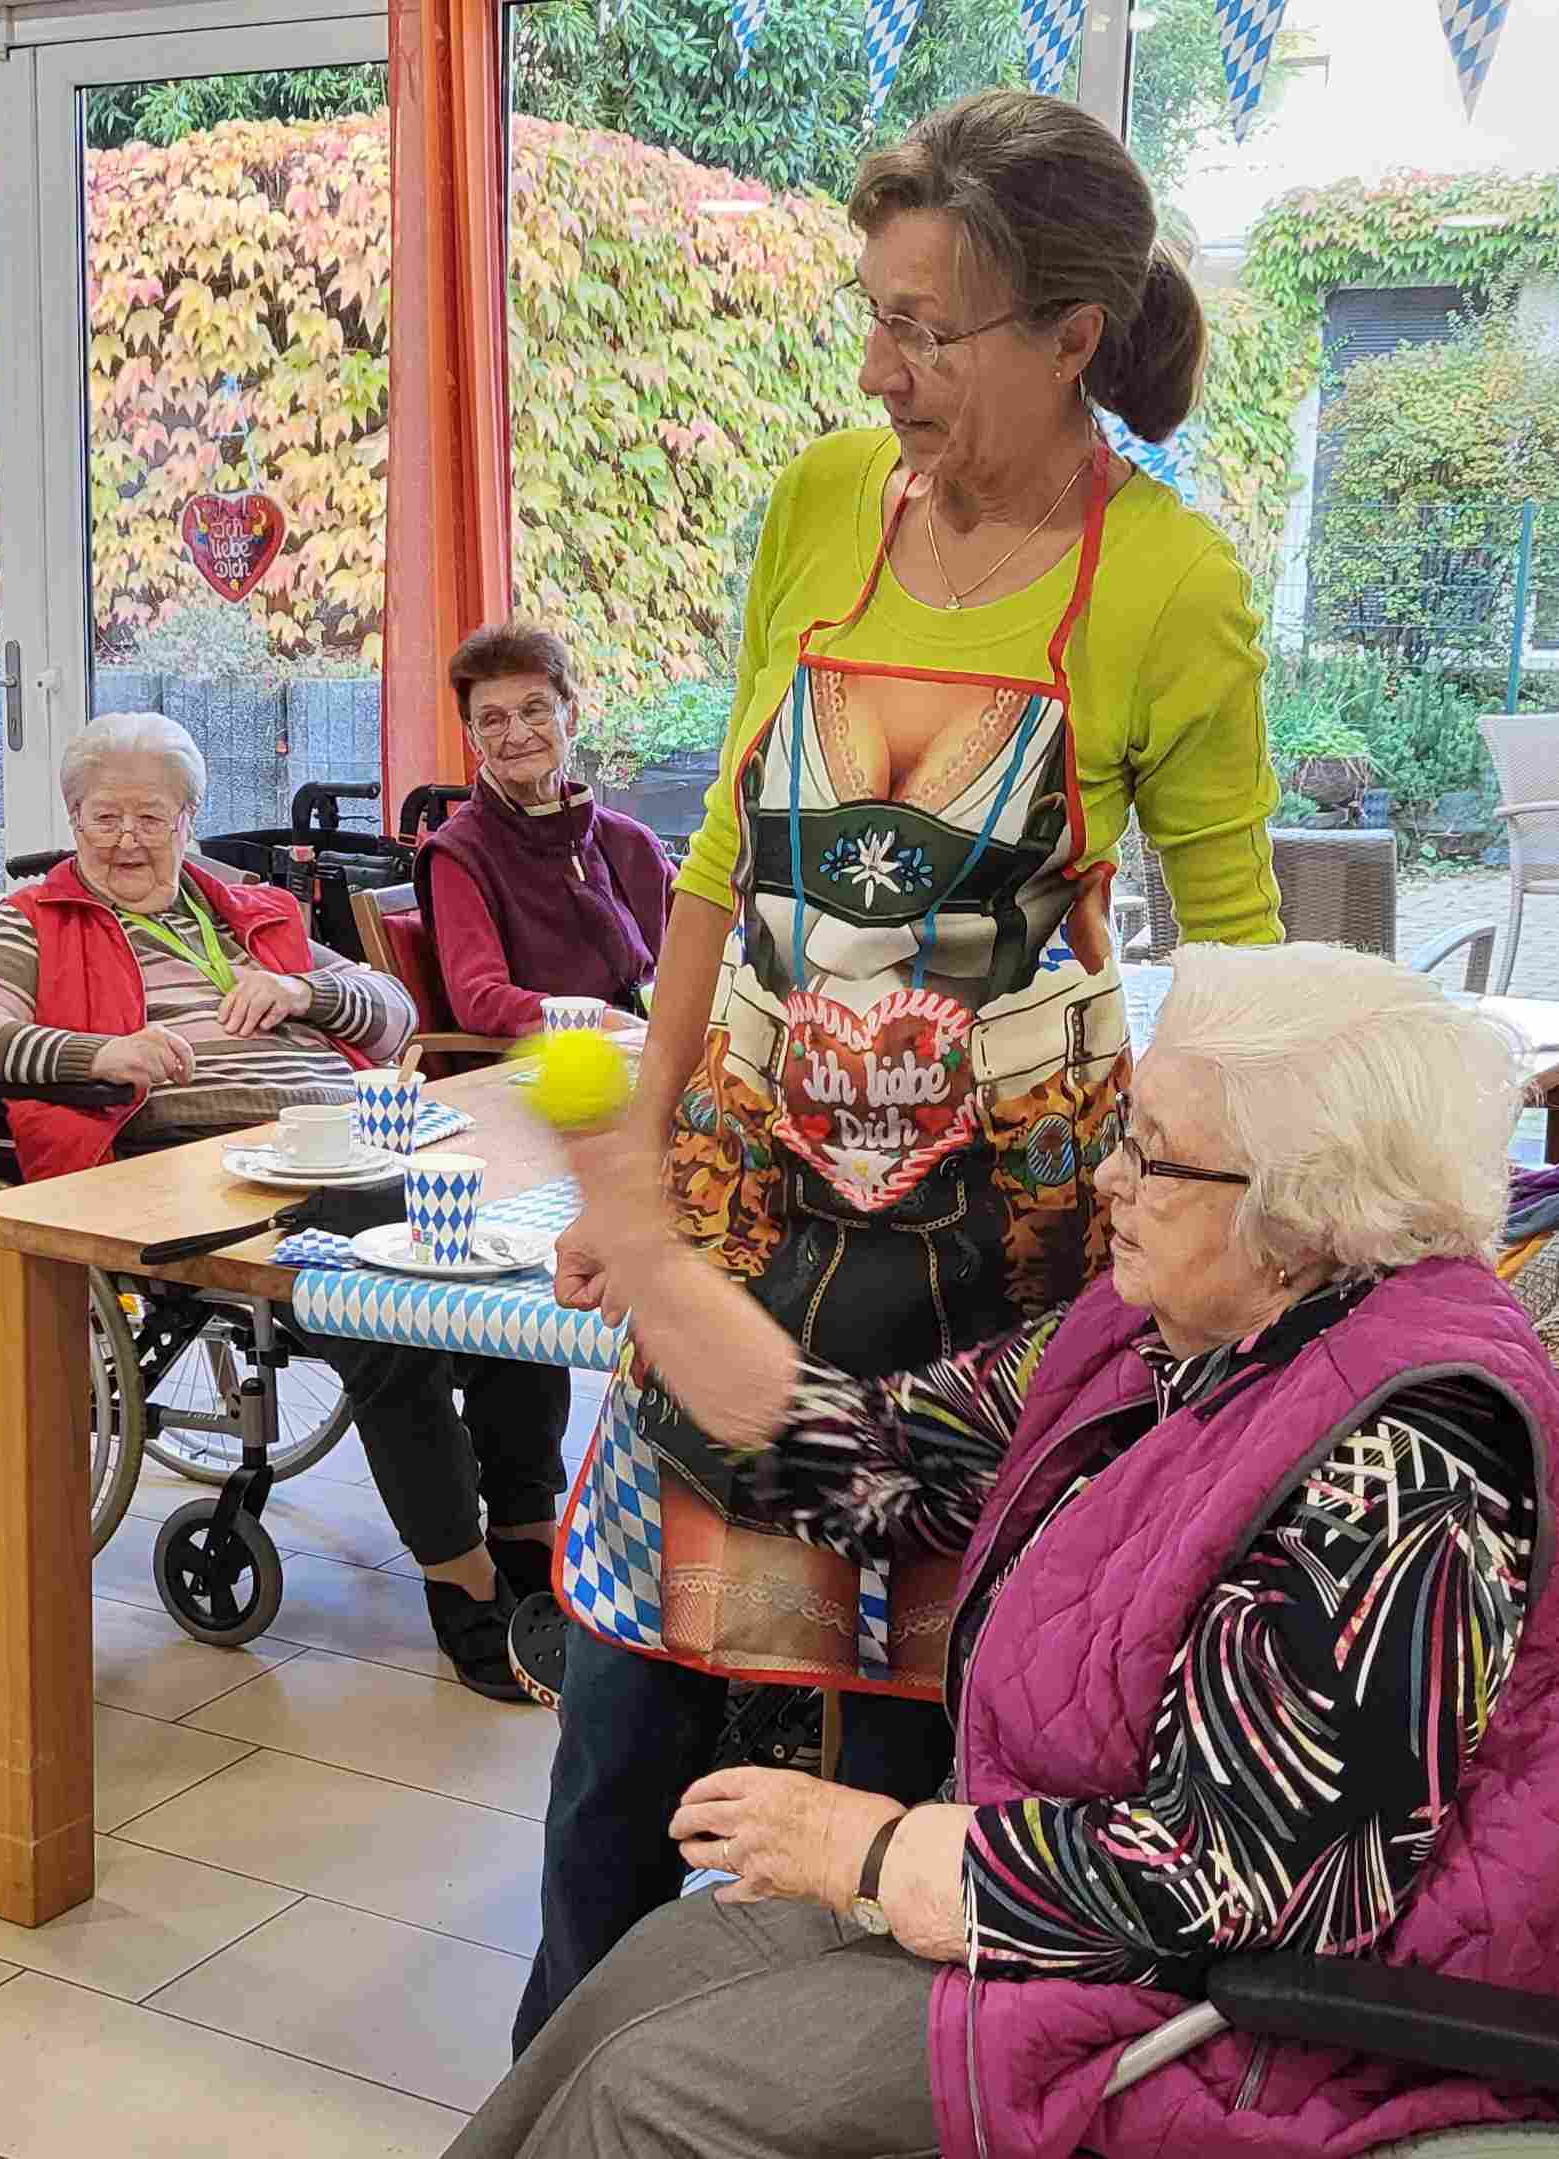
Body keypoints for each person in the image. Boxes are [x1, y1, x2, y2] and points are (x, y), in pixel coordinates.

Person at [509, 86, 1284, 2051]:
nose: (878, 367)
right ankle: (564, 2083)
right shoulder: (811, 507)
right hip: (742, 1241)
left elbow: (1245, 965)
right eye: (872, 314)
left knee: (913, 1775)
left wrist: (1201, 1227)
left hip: (987, 1305)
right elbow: (708, 862)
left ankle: (842, 2091)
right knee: (620, 1753)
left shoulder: (1163, 588)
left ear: (1066, 342)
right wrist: (644, 1160)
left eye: (923, 328)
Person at [452, 942, 1559, 2159]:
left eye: (1149, 1151)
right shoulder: (1145, 1337)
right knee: (654, 1960)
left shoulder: (1402, 1464)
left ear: (1295, 1208)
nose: (1102, 1175)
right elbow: (871, 1457)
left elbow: (1259, 1880)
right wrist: (650, 1251)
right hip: (1063, 1893)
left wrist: (870, 1848)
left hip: (1247, 2015)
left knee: (659, 2090)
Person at [0, 710, 569, 1699]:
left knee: (507, 1271)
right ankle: (464, 1582)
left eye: (150, 815)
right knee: (388, 1305)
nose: (125, 838)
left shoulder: (248, 906)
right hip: (185, 1154)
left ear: (189, 816)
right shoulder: (35, 917)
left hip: (341, 1135)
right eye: (103, 816)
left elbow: (391, 1007)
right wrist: (100, 1053)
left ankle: (530, 1542)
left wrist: (301, 993)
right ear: (72, 816)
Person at [413, 623, 674, 1040]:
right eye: (492, 720)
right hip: (543, 1072)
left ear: (569, 716)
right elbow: (479, 998)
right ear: (472, 739)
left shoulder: (631, 842)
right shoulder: (458, 854)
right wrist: (600, 1021)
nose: (516, 735)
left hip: (654, 1050)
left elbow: (704, 945)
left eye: (535, 709)